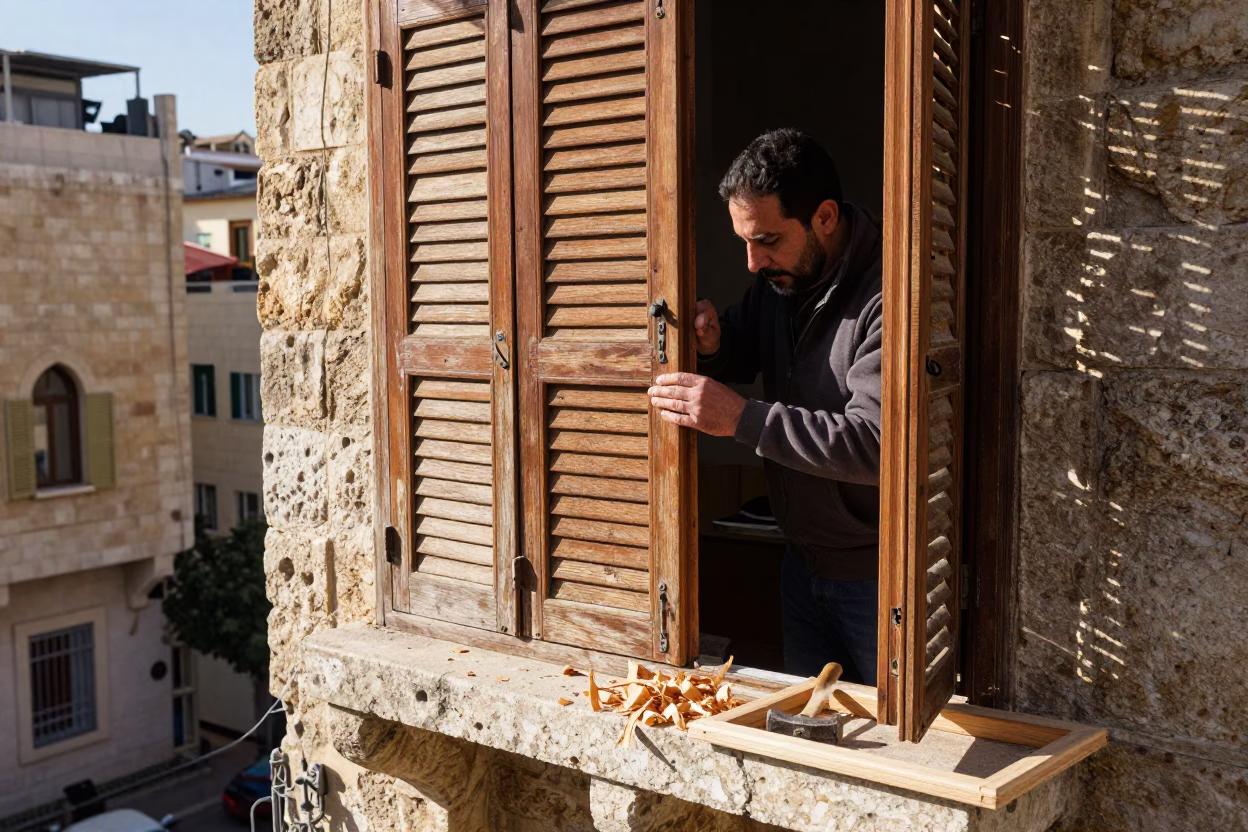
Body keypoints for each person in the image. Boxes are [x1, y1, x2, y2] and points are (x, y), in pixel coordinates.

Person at [647, 129, 882, 684]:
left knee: (889, 746)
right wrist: (713, 343)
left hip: (877, 583)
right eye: (744, 242)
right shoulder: (779, 283)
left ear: (824, 217)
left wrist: (742, 419)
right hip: (799, 569)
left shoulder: (888, 300)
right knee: (805, 736)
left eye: (768, 240)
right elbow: (742, 344)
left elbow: (874, 444)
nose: (753, 262)